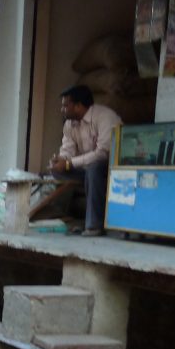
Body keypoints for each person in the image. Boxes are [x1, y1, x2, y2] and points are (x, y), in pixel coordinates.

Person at [50, 84, 121, 237]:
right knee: (56, 172)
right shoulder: (69, 123)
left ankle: (94, 225)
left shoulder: (105, 117)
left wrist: (69, 163)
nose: (62, 110)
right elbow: (67, 147)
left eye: (65, 106)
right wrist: (61, 160)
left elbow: (103, 153)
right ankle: (61, 218)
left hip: (110, 167)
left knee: (94, 170)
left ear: (78, 106)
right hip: (86, 166)